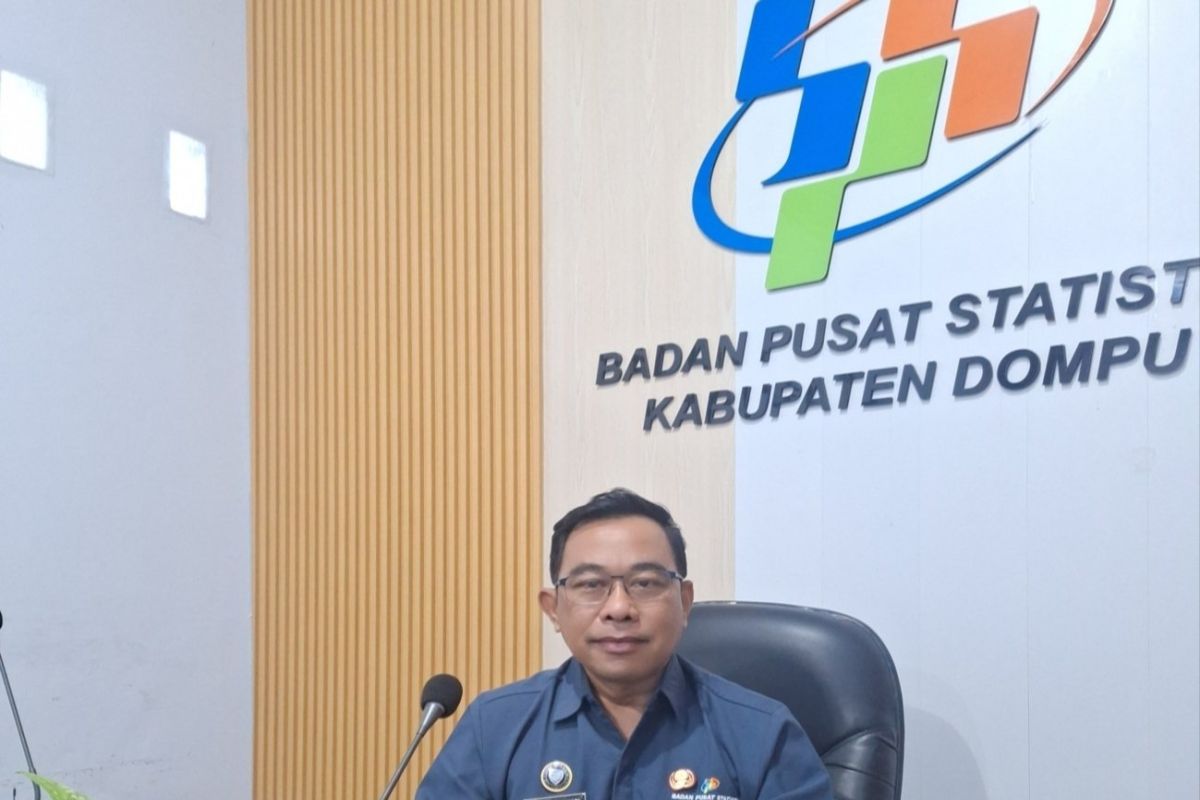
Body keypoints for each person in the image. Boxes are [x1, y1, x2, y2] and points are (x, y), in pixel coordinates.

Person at [415, 488, 833, 799]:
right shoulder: (494, 727)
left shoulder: (763, 732)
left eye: (645, 583)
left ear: (685, 602)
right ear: (553, 609)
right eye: (591, 584)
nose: (619, 608)